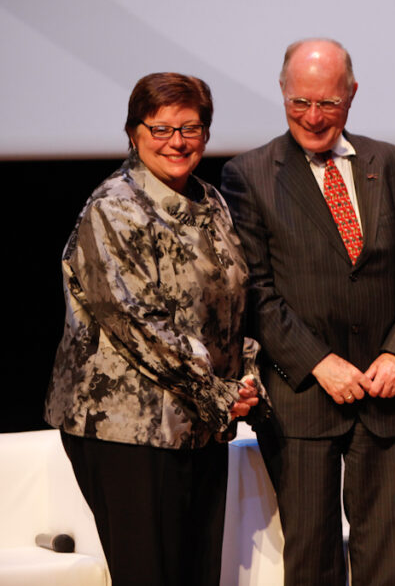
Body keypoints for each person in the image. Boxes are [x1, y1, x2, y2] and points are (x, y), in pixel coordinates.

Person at [220, 38, 395, 586]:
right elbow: (257, 291)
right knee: (313, 562)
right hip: (303, 399)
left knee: (389, 564)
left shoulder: (392, 163)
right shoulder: (249, 175)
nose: (314, 117)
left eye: (328, 104)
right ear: (282, 93)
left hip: (388, 393)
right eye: (300, 103)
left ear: (352, 95)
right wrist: (320, 362)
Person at [44, 72, 262, 586]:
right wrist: (217, 392)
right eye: (161, 128)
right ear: (133, 132)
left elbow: (231, 303)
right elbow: (136, 322)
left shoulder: (212, 201)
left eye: (190, 128)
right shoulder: (114, 207)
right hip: (129, 429)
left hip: (197, 424)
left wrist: (244, 375)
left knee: (198, 573)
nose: (177, 142)